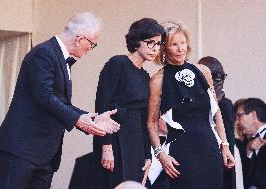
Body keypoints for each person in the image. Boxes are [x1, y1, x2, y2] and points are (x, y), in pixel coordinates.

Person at [0, 12, 120, 189]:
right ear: (80, 39)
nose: (91, 48)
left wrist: (89, 118)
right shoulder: (44, 53)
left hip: (44, 154)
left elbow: (60, 103)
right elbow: (44, 96)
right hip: (22, 150)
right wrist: (77, 120)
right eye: (92, 43)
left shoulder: (61, 58)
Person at [147, 20, 235, 189]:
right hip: (182, 150)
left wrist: (225, 145)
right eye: (174, 44)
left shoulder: (203, 71)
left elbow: (216, 112)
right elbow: (151, 123)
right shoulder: (158, 80)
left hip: (210, 147)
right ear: (163, 48)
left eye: (183, 43)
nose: (180, 48)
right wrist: (160, 154)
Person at [93, 18, 165, 189]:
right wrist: (106, 146)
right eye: (150, 43)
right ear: (136, 41)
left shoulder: (145, 76)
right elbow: (102, 105)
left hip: (136, 142)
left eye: (158, 44)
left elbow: (144, 118)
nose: (155, 48)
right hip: (115, 136)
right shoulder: (117, 63)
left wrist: (148, 155)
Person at [198, 56, 235, 189]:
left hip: (220, 164)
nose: (218, 81)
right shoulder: (199, 102)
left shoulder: (225, 106)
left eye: (220, 76)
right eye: (214, 76)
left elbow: (227, 141)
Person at [236, 98, 266, 189]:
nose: (237, 122)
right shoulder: (245, 144)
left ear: (253, 115)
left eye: (239, 116)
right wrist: (248, 149)